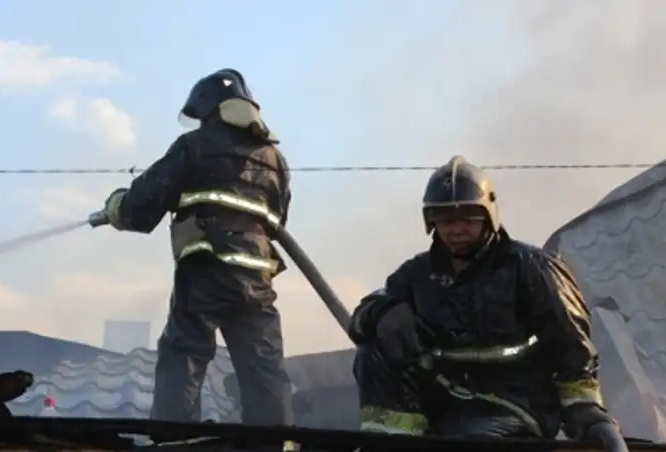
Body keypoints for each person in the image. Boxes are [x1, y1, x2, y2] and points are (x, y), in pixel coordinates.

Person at [347, 155, 619, 439]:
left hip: (513, 403)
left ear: (488, 215)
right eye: (446, 219)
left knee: (467, 445)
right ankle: (392, 444)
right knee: (373, 349)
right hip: (445, 400)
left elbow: (570, 339)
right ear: (432, 222)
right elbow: (361, 319)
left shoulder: (530, 267)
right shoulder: (416, 274)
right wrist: (381, 312)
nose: (457, 229)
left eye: (469, 218)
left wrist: (583, 405)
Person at [99, 68, 294, 427]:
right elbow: (278, 217)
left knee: (183, 353)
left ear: (212, 110)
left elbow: (143, 206)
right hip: (256, 280)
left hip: (206, 269)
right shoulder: (274, 160)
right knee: (263, 365)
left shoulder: (194, 147)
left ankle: (177, 438)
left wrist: (116, 207)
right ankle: (275, 441)